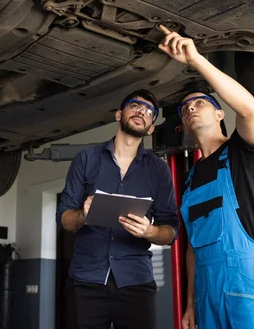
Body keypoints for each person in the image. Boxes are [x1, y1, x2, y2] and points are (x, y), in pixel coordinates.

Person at [157, 25, 254, 329]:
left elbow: (249, 109)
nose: (191, 108)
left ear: (219, 114)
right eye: (186, 108)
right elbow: (192, 248)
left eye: (200, 103)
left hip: (249, 284)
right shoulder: (190, 179)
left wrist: (196, 59)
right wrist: (190, 304)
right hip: (207, 291)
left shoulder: (242, 153)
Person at [56, 89, 180, 329]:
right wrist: (83, 214)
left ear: (151, 128)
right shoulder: (86, 159)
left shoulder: (158, 170)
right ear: (118, 115)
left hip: (136, 282)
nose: (142, 111)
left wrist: (149, 231)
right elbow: (64, 219)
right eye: (135, 105)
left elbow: (171, 231)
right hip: (85, 281)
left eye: (149, 111)